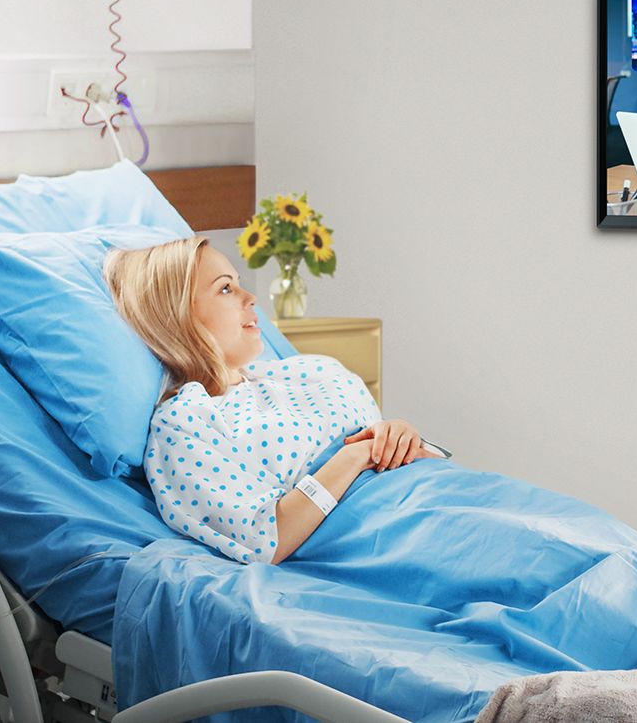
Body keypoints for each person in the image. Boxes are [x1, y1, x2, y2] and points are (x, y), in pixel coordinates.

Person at [104, 235, 443, 565]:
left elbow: (389, 448)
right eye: (226, 288)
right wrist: (355, 456)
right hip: (398, 533)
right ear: (178, 318)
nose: (250, 298)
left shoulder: (304, 372)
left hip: (437, 492)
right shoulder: (185, 423)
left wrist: (398, 434)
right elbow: (267, 538)